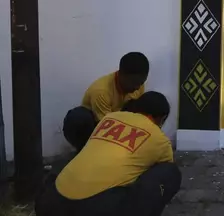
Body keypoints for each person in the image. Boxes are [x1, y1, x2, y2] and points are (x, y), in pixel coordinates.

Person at [36, 91, 181, 216]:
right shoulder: (159, 138)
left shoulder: (109, 118)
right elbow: (163, 165)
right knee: (170, 172)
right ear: (161, 119)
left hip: (50, 203)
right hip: (95, 209)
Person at [62, 52, 149, 152]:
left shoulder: (137, 85)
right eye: (134, 83)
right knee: (78, 118)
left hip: (118, 121)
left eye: (141, 83)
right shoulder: (101, 91)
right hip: (97, 126)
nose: (137, 87)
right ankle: (85, 152)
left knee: (147, 104)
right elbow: (106, 127)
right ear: (121, 75)